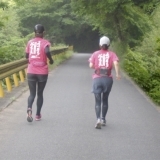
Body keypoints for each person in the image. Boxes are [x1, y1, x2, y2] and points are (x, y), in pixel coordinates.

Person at [88, 36, 120, 129]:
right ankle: (103, 119)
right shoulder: (112, 54)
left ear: (100, 45)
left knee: (97, 101)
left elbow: (91, 65)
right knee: (105, 99)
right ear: (109, 45)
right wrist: (118, 74)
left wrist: (97, 68)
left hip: (97, 78)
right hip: (108, 79)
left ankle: (97, 119)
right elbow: (116, 63)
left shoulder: (95, 54)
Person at [25, 24, 54, 122]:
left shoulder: (30, 42)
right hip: (42, 71)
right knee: (40, 93)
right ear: (43, 33)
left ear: (34, 33)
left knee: (32, 94)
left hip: (31, 70)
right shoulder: (45, 42)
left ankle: (29, 108)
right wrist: (50, 60)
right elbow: (47, 51)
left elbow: (26, 56)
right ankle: (37, 115)